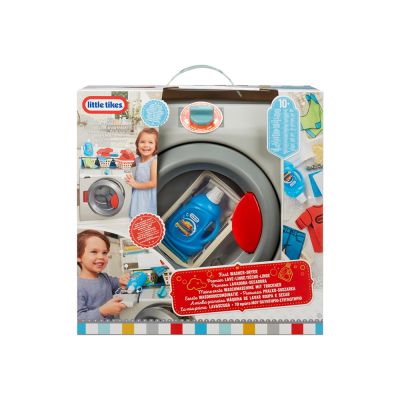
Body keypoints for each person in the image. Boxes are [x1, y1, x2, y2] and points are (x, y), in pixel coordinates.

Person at [77, 230, 129, 320]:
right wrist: (103, 311)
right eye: (94, 251)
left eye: (104, 253)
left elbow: (119, 283)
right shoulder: (78, 287)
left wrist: (123, 280)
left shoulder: (105, 277)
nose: (101, 257)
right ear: (78, 256)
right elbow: (78, 319)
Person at [125, 127, 158, 218]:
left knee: (144, 219)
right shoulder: (138, 160)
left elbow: (153, 183)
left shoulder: (154, 161)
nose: (146, 145)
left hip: (147, 197)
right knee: (135, 219)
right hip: (138, 195)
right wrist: (126, 155)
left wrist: (135, 184)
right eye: (142, 142)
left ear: (156, 145)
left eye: (150, 142)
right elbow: (126, 165)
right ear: (137, 144)